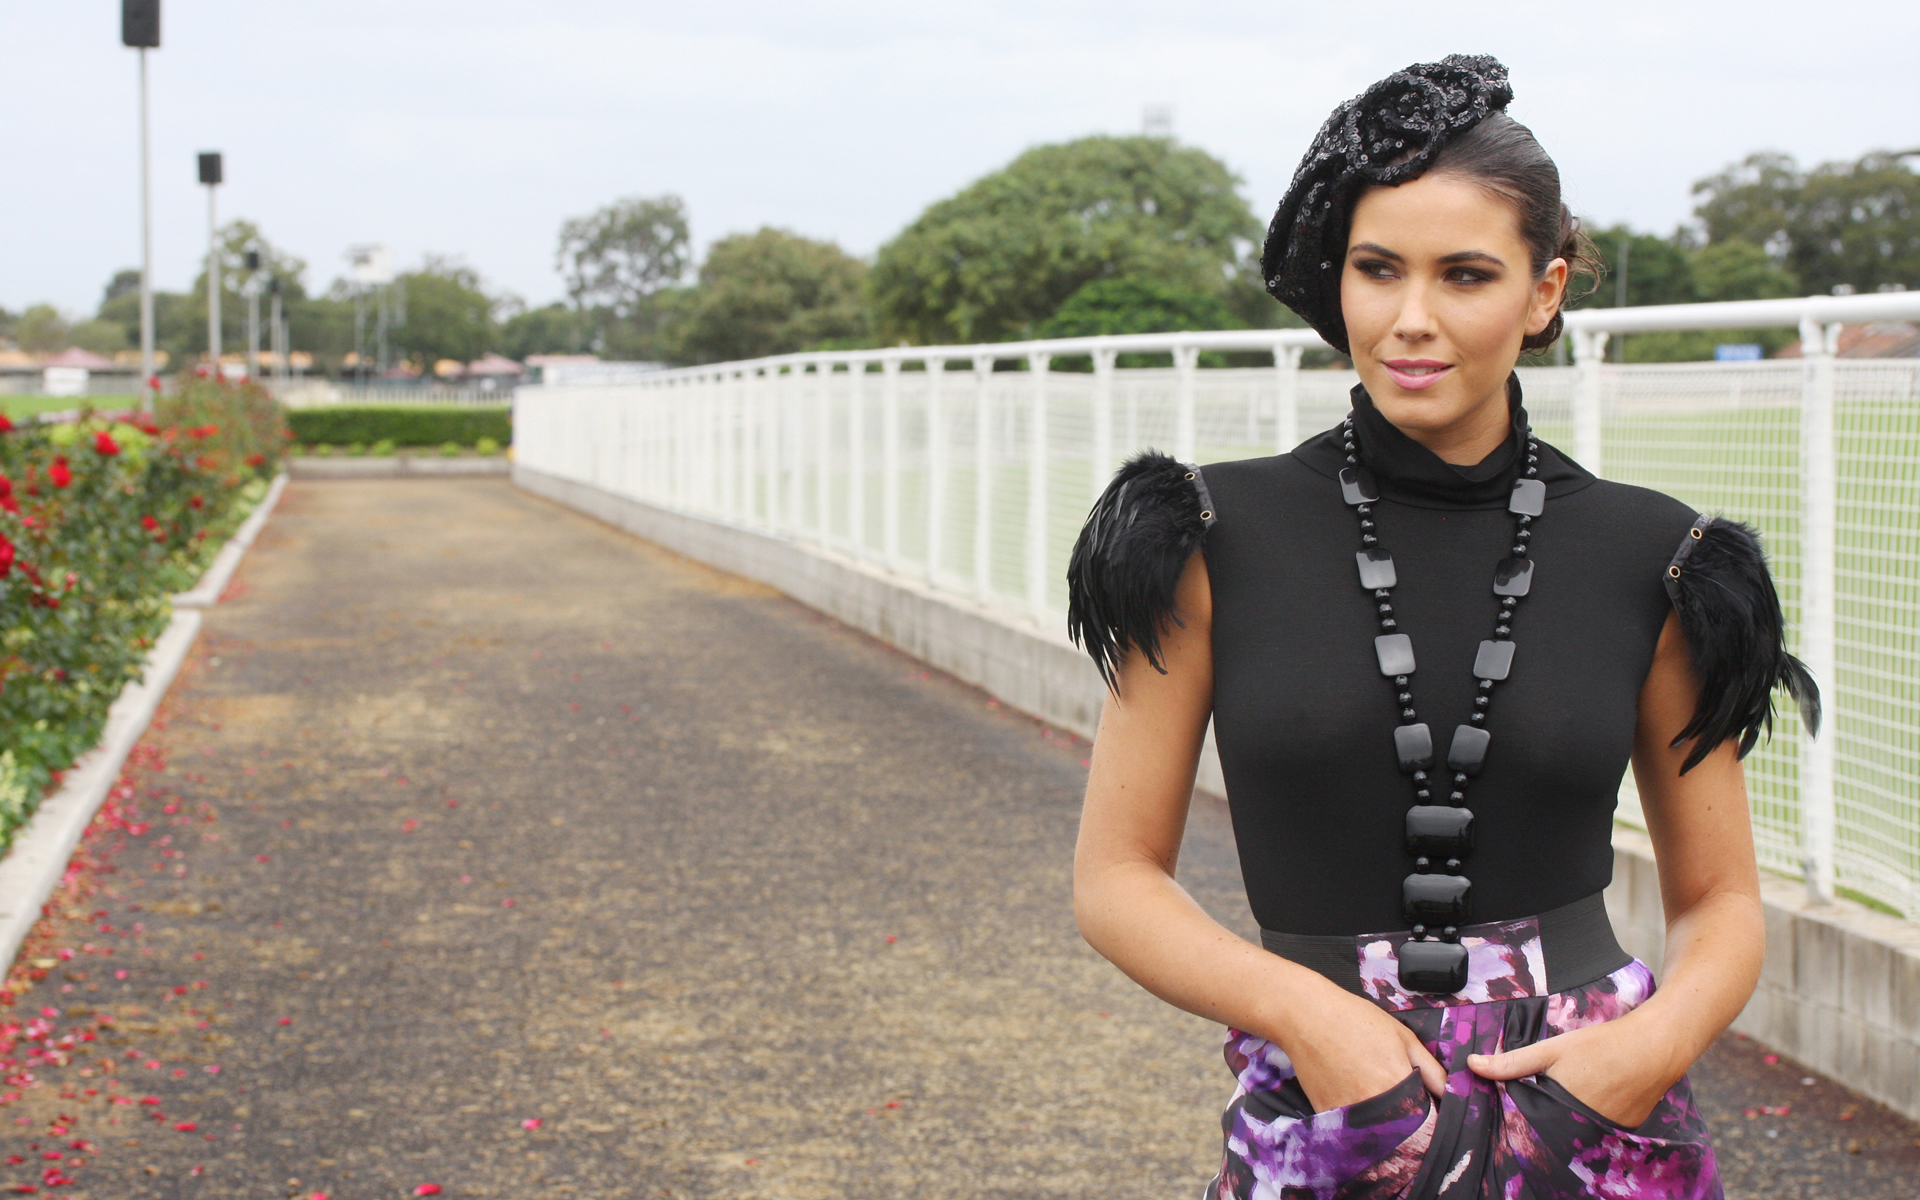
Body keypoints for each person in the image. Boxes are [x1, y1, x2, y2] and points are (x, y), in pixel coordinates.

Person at [1066, 55, 1819, 1200]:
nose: (1411, 319)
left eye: (1466, 275)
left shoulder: (1663, 560)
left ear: (1545, 291)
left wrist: (1645, 1051)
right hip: (1326, 1103)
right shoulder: (1203, 534)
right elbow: (1117, 878)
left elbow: (1719, 902)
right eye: (1378, 270)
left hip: (1597, 1108)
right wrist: (1309, 1018)